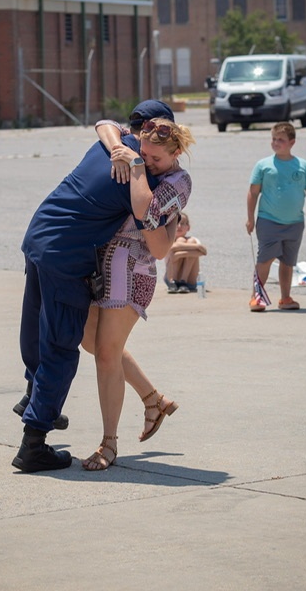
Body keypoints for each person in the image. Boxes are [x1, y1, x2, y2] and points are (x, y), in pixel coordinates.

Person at [12, 102, 179, 473]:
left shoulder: (108, 143)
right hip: (66, 256)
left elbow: (104, 123)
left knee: (37, 328)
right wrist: (174, 219)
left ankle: (32, 398)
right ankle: (33, 443)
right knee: (61, 346)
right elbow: (157, 239)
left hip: (39, 234)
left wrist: (119, 143)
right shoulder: (139, 176)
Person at [80, 118, 195, 470]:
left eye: (155, 158)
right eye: (144, 154)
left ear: (176, 153)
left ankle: (108, 444)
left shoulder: (179, 181)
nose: (148, 161)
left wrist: (133, 163)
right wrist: (121, 146)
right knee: (90, 341)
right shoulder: (142, 154)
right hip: (103, 265)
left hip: (133, 271)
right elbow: (104, 123)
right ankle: (153, 399)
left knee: (105, 354)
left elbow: (145, 209)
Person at [246, 122, 306, 312]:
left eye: (281, 140)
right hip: (268, 220)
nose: (276, 143)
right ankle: (257, 297)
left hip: (295, 223)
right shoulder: (264, 165)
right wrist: (250, 218)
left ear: (292, 142)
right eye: (274, 139)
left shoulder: (303, 166)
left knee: (287, 263)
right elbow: (253, 193)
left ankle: (285, 298)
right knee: (265, 260)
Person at [164, 212, 207, 293]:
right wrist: (197, 247)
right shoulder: (169, 240)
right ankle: (175, 282)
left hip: (190, 280)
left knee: (190, 241)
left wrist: (180, 254)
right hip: (171, 278)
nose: (179, 226)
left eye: (183, 223)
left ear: (188, 227)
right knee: (181, 241)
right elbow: (173, 248)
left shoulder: (193, 240)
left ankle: (183, 281)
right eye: (177, 223)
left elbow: (204, 252)